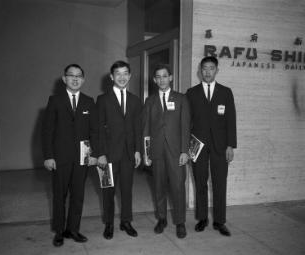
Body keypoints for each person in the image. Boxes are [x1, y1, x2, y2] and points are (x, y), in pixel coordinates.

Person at [42, 64, 98, 247]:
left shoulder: (89, 101)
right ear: (64, 78)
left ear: (83, 79)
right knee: (59, 195)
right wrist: (48, 156)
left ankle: (73, 229)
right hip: (60, 158)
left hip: (82, 158)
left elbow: (94, 131)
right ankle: (59, 231)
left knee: (78, 195)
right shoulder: (55, 100)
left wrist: (95, 154)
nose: (75, 79)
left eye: (79, 76)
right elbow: (47, 131)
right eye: (71, 75)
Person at [186, 56, 237, 236]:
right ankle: (202, 218)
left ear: (217, 70)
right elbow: (187, 121)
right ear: (200, 71)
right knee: (200, 182)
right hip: (197, 145)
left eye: (211, 68)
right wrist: (186, 147)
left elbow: (231, 120)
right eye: (204, 69)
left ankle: (219, 221)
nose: (207, 72)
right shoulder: (191, 93)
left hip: (220, 146)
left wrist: (230, 145)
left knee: (219, 183)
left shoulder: (225, 92)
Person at [142, 64, 190, 238]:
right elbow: (145, 129)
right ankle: (161, 218)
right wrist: (147, 153)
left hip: (176, 151)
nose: (161, 79)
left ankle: (180, 222)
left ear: (171, 78)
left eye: (165, 76)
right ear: (154, 80)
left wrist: (185, 151)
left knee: (178, 186)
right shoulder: (150, 101)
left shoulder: (181, 99)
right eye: (158, 77)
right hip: (156, 151)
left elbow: (185, 127)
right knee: (159, 186)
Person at [97, 60, 142, 240]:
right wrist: (99, 153)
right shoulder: (102, 100)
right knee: (108, 189)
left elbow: (138, 128)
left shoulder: (135, 100)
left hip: (128, 154)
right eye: (118, 74)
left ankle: (126, 221)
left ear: (129, 76)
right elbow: (97, 129)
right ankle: (109, 223)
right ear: (111, 77)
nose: (122, 77)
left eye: (125, 73)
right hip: (107, 154)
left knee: (127, 189)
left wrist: (138, 150)